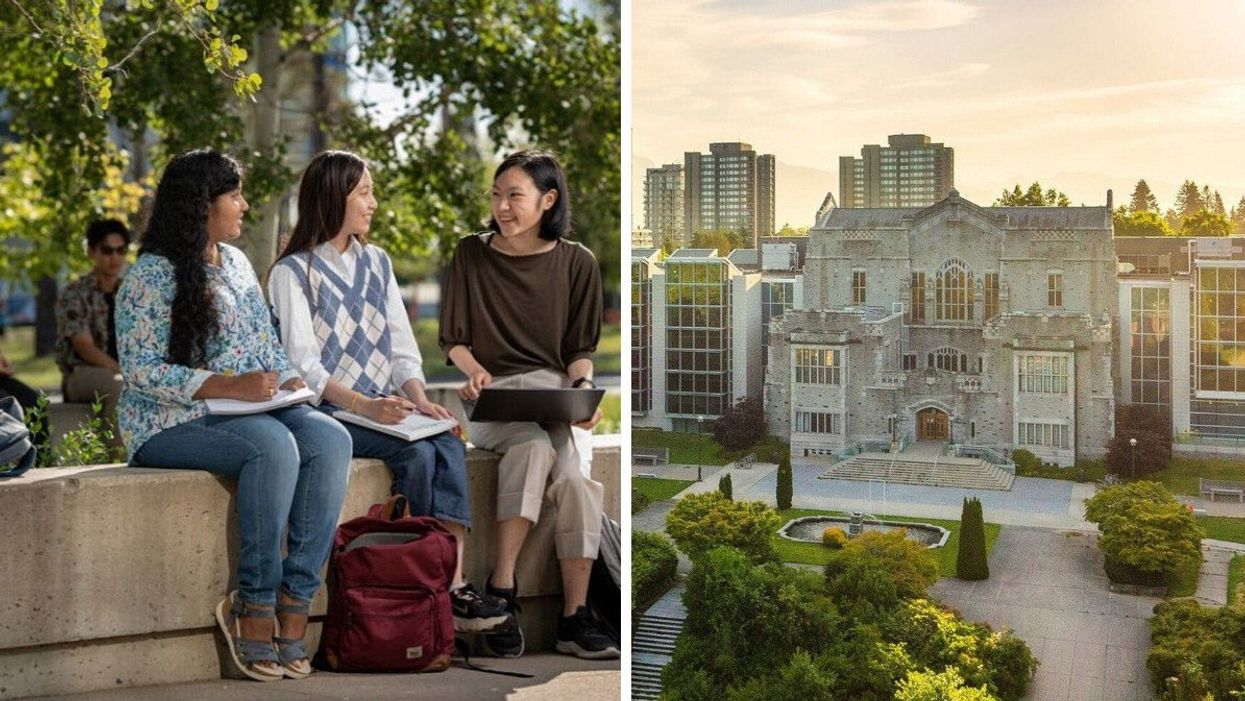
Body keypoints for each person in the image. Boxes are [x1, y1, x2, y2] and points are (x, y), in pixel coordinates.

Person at [116, 149, 352, 682]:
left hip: (246, 410)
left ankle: (297, 600)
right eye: (235, 195)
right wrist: (226, 386)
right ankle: (254, 603)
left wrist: (286, 377)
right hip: (166, 423)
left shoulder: (239, 262)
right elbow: (140, 370)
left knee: (331, 439)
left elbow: (265, 344)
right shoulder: (151, 276)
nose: (244, 205)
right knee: (273, 445)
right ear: (203, 204)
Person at [268, 150, 508, 635]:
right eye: (364, 192)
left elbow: (401, 348)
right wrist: (364, 404)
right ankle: (438, 588)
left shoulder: (377, 263)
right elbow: (304, 369)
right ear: (334, 198)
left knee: (446, 437)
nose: (373, 203)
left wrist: (418, 398)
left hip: (385, 406)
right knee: (418, 457)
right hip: (334, 414)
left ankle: (450, 582)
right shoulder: (291, 273)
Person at [439, 149, 618, 659]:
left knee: (580, 485)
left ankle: (574, 619)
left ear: (548, 200)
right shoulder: (470, 254)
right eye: (497, 195)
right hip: (493, 401)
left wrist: (581, 392)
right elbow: (453, 338)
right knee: (533, 447)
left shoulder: (577, 262)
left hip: (552, 399)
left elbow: (579, 353)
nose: (503, 206)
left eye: (514, 195)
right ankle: (501, 592)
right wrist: (473, 372)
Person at [55, 218, 129, 449]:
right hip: (80, 374)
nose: (114, 257)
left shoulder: (130, 292)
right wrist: (121, 370)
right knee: (118, 385)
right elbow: (84, 347)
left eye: (121, 250)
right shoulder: (74, 293)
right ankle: (118, 459)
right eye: (107, 250)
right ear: (91, 252)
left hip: (124, 372)